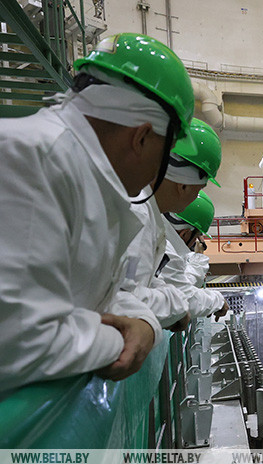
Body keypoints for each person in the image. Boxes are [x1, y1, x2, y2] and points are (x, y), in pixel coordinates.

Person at [0, 33, 196, 392]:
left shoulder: (82, 175)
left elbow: (101, 298)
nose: (157, 174)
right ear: (140, 137)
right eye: (163, 156)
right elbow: (16, 340)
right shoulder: (34, 159)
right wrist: (124, 340)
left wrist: (145, 322)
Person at [120, 118, 222, 331]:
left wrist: (172, 305)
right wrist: (175, 308)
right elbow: (125, 301)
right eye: (197, 189)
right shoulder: (139, 217)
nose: (195, 197)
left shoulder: (144, 210)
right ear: (183, 185)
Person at [163, 192, 229, 320]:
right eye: (197, 236)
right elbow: (181, 298)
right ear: (185, 234)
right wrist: (218, 301)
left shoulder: (153, 230)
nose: (195, 243)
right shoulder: (165, 250)